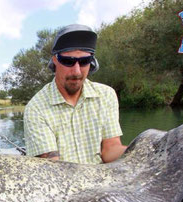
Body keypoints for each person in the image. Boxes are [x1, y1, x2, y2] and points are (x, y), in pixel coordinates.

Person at [23, 24, 127, 164]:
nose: (77, 71)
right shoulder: (36, 108)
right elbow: (52, 167)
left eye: (84, 61)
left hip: (103, 182)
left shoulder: (106, 95)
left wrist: (140, 153)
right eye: (68, 61)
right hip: (61, 182)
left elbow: (110, 149)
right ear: (55, 60)